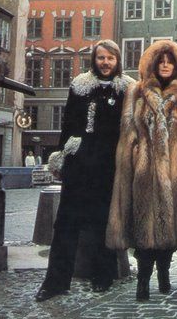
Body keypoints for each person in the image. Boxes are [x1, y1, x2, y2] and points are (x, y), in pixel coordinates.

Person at [35, 40, 135, 302]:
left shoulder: (127, 89)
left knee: (103, 221)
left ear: (117, 61)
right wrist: (61, 157)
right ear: (94, 59)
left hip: (108, 164)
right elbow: (68, 123)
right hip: (79, 162)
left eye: (110, 58)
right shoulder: (79, 86)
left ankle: (102, 276)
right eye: (101, 58)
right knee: (67, 222)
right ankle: (56, 282)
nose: (105, 63)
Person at [106, 40, 177, 301]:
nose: (165, 66)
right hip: (145, 171)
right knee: (143, 228)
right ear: (152, 64)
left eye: (170, 61)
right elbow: (127, 131)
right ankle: (143, 281)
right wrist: (134, 157)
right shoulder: (136, 92)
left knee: (170, 231)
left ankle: (164, 272)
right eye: (160, 61)